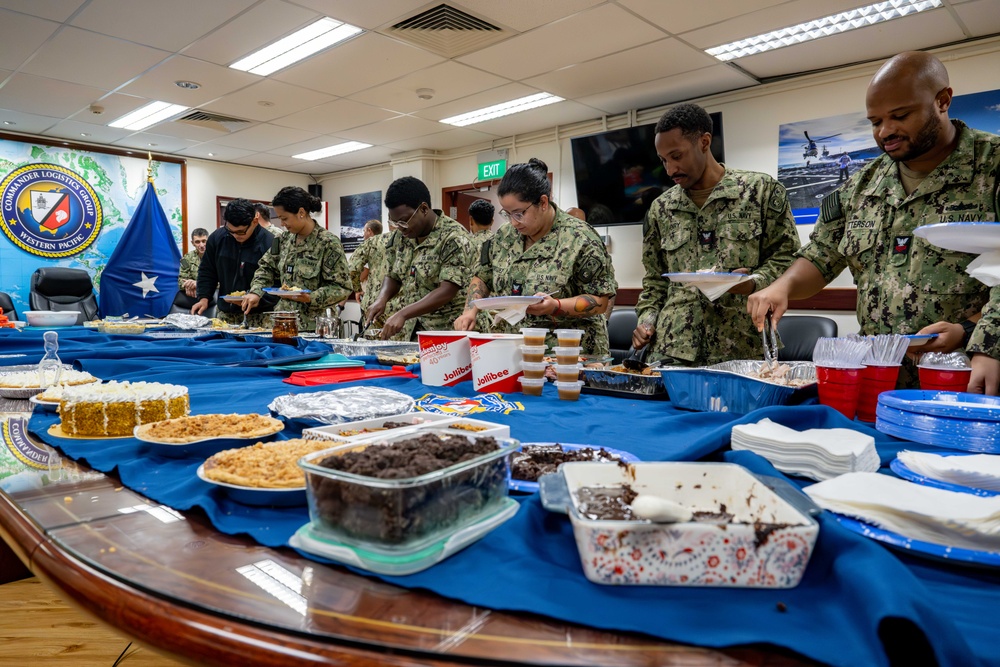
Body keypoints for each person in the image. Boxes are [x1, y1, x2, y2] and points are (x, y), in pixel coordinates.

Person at [748, 51, 1000, 394]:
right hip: (880, 383)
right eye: (874, 121)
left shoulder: (993, 166)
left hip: (970, 374)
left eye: (899, 116)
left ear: (942, 101)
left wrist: (976, 335)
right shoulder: (860, 186)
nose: (885, 131)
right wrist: (784, 286)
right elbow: (822, 254)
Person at [632, 103, 800, 366]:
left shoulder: (760, 191)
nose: (670, 169)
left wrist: (753, 282)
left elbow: (788, 259)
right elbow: (655, 281)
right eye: (663, 160)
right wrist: (646, 321)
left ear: (704, 142)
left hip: (741, 345)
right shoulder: (661, 208)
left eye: (677, 156)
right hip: (673, 350)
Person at [454, 158, 618, 355]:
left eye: (519, 213)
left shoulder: (580, 238)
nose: (514, 222)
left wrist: (555, 306)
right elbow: (483, 276)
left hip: (568, 355)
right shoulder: (504, 236)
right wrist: (470, 310)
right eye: (507, 214)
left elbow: (600, 301)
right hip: (514, 351)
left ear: (542, 202)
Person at [367, 177, 474, 340]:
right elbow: (393, 275)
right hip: (412, 331)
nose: (399, 228)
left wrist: (403, 313)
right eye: (394, 222)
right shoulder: (400, 237)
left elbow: (447, 290)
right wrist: (381, 299)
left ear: (424, 209)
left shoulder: (454, 238)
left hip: (447, 332)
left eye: (403, 221)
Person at [243, 186, 352, 331]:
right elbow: (266, 268)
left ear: (301, 212)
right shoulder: (283, 240)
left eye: (284, 218)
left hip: (315, 327)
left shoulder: (328, 243)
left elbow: (342, 287)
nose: (282, 224)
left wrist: (311, 297)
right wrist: (255, 292)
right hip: (283, 322)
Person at [191, 200, 277, 327]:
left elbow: (278, 283)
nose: (236, 236)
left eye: (241, 232)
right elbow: (207, 270)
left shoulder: (270, 242)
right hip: (225, 315)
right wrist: (204, 298)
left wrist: (259, 300)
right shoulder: (217, 238)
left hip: (260, 317)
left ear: (255, 220)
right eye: (231, 231)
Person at [348, 219, 394, 328]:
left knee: (372, 339)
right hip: (399, 304)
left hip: (373, 302)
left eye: (364, 231)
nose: (363, 234)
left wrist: (357, 289)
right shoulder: (408, 241)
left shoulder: (370, 244)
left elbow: (352, 269)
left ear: (369, 231)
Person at [178, 228, 208, 297]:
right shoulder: (186, 258)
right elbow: (181, 281)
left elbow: (222, 282)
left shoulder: (216, 257)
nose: (201, 245)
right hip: (193, 295)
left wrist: (199, 284)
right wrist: (190, 285)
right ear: (193, 243)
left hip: (212, 295)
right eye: (197, 242)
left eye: (204, 241)